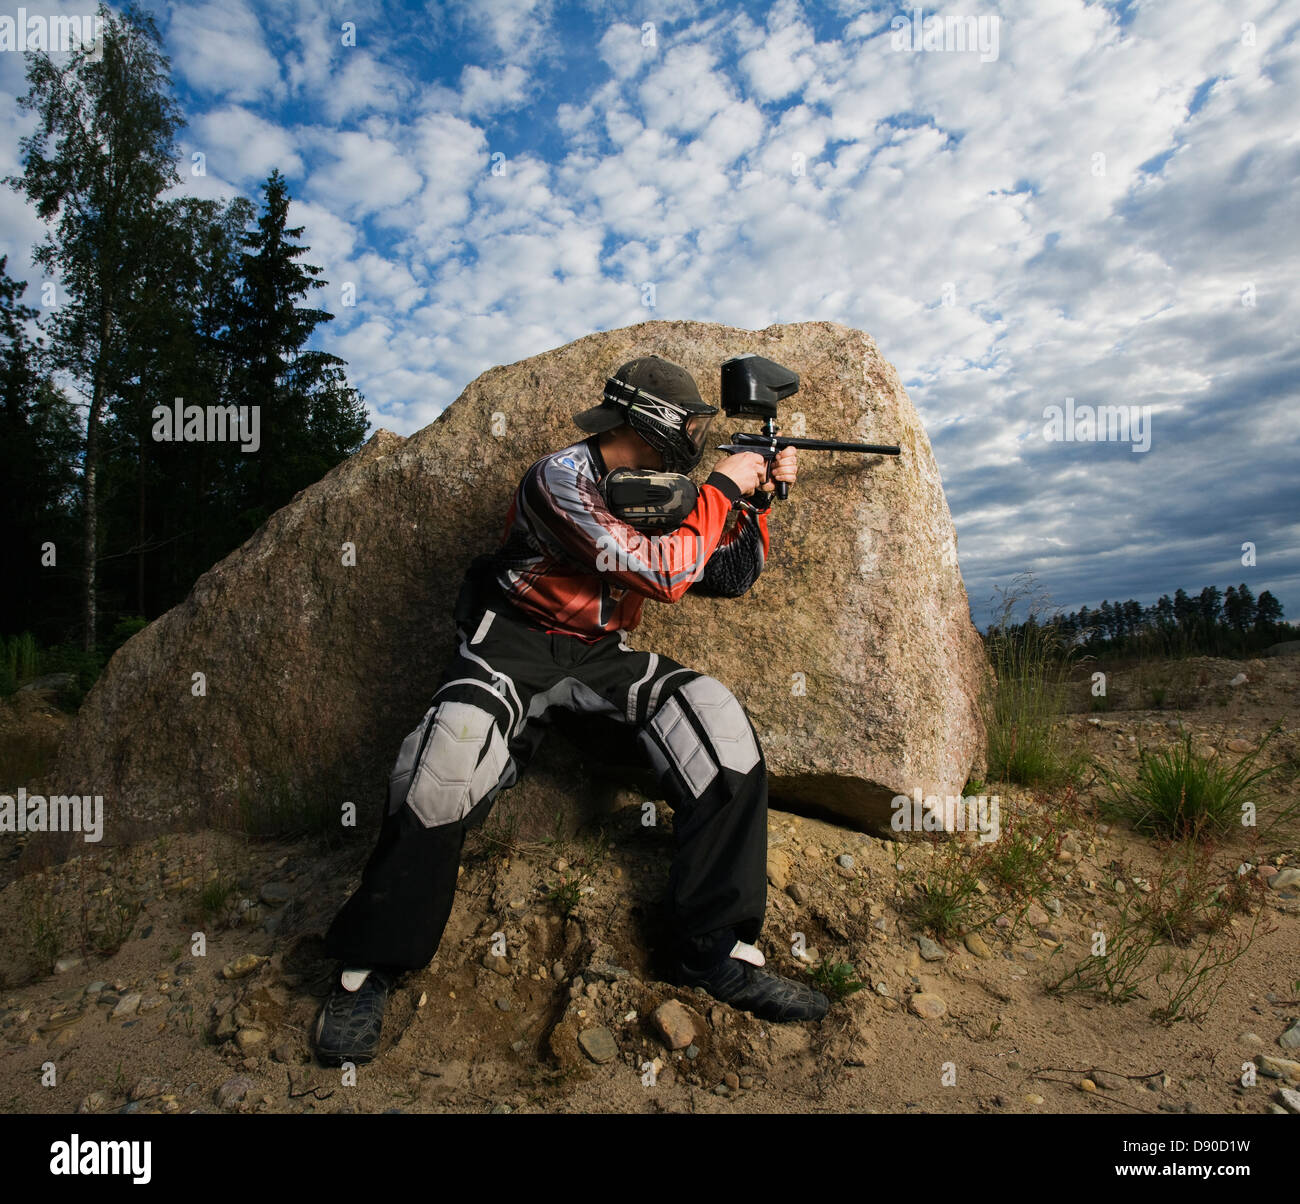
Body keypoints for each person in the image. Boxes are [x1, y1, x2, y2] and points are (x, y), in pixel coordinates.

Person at [314, 355, 829, 1066]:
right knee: (443, 761)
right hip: (511, 647)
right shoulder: (561, 476)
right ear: (651, 419)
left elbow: (726, 575)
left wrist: (754, 500)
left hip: (598, 655)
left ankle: (714, 952)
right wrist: (722, 485)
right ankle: (366, 968)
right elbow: (662, 572)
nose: (697, 432)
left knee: (719, 727)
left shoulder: (666, 490)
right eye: (688, 420)